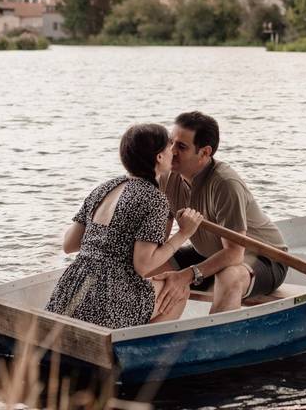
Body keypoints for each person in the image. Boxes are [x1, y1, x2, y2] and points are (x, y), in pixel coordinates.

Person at [45, 123, 203, 329]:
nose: (173, 152)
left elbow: (69, 245)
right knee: (178, 291)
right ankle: (144, 352)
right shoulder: (154, 198)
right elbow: (144, 265)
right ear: (159, 157)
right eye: (169, 147)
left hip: (71, 291)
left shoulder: (103, 188)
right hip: (109, 299)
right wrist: (184, 233)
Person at [152, 111, 287, 315]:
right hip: (211, 253)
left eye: (181, 146)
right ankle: (150, 326)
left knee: (229, 277)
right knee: (148, 263)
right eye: (171, 142)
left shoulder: (225, 184)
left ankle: (212, 341)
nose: (171, 151)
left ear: (205, 153)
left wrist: (186, 276)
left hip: (264, 258)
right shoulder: (167, 177)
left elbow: (234, 253)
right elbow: (158, 241)